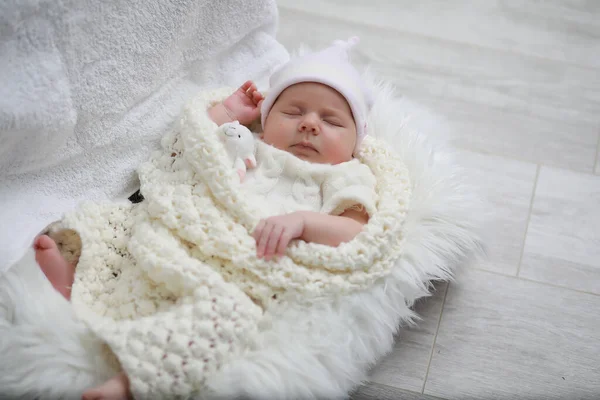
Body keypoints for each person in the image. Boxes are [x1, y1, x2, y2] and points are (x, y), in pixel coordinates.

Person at [34, 37, 376, 399]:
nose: (309, 124)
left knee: (223, 320)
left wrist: (304, 222)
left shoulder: (344, 175)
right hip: (185, 232)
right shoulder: (252, 143)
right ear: (267, 119)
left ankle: (133, 381)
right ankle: (76, 277)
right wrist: (227, 115)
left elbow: (355, 231)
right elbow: (193, 150)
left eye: (331, 120)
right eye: (293, 112)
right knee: (116, 224)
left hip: (238, 272)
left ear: (356, 141)